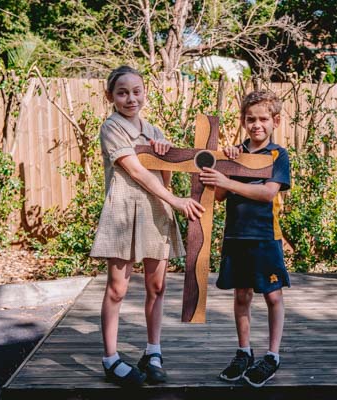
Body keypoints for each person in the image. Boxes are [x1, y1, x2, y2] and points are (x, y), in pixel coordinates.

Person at [90, 65, 204, 387]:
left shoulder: (154, 131)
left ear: (144, 93)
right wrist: (178, 201)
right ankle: (111, 359)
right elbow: (137, 172)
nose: (130, 98)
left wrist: (164, 156)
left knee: (157, 287)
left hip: (156, 212)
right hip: (124, 212)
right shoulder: (111, 127)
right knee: (117, 288)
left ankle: (153, 351)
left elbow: (162, 173)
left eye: (136, 91)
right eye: (122, 92)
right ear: (110, 96)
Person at [199, 90, 291, 388]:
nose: (256, 125)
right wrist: (222, 167)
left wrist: (228, 180)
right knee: (241, 296)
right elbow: (222, 194)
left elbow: (267, 193)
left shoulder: (278, 155)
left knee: (273, 296)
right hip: (236, 236)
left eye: (263, 119)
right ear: (242, 121)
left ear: (275, 121)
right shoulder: (234, 153)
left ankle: (272, 355)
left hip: (265, 237)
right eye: (250, 119)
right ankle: (244, 351)